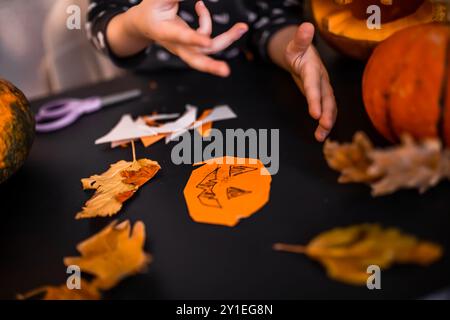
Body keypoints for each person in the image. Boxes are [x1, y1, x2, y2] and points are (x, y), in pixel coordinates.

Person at [87, 0, 337, 141]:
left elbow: (273, 19)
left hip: (247, 93)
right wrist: (136, 25)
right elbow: (103, 22)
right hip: (152, 99)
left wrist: (291, 50)